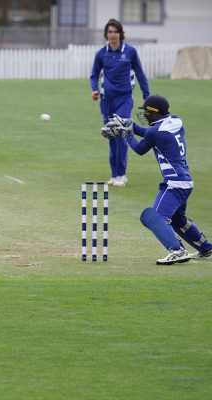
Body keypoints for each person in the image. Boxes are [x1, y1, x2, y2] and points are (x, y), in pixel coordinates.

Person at [102, 95, 212, 265]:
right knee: (177, 220)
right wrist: (131, 127)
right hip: (185, 181)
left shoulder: (155, 132)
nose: (144, 114)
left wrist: (126, 134)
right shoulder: (176, 121)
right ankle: (206, 249)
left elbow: (140, 148)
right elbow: (153, 134)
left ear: (154, 113)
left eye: (146, 112)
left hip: (173, 183)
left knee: (155, 217)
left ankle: (177, 250)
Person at [90, 18, 149, 187]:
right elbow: (94, 75)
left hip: (124, 99)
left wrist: (147, 96)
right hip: (106, 100)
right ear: (106, 35)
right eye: (110, 32)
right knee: (111, 137)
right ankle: (114, 175)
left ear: (120, 34)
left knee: (120, 134)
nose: (113, 35)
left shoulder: (130, 52)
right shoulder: (102, 54)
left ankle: (122, 175)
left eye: (116, 32)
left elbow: (140, 73)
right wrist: (94, 89)